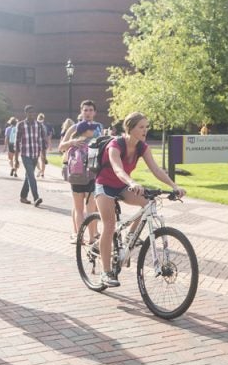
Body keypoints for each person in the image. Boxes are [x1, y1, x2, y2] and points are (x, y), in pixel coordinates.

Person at [94, 112, 185, 287]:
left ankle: (129, 238)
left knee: (148, 202)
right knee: (110, 225)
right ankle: (105, 273)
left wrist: (174, 186)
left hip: (123, 185)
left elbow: (157, 170)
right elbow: (118, 169)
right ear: (130, 128)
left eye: (146, 127)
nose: (145, 130)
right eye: (141, 127)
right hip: (105, 185)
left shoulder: (142, 147)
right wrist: (132, 182)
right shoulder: (115, 145)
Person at [59, 121, 99, 242]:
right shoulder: (92, 143)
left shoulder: (73, 143)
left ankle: (80, 238)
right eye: (91, 129)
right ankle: (92, 238)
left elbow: (62, 150)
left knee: (79, 210)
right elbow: (96, 164)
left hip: (75, 180)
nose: (93, 131)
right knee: (91, 211)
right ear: (86, 131)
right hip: (90, 180)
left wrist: (71, 142)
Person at [14, 105, 47, 207]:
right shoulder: (20, 125)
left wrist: (44, 157)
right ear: (26, 113)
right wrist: (16, 159)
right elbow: (17, 142)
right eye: (29, 112)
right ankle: (36, 197)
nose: (31, 114)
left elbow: (42, 142)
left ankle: (23, 196)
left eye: (33, 112)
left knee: (28, 176)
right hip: (25, 154)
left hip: (35, 155)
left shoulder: (39, 125)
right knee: (32, 176)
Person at [35, 113, 53, 178]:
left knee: (36, 158)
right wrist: (49, 145)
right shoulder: (45, 126)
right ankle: (42, 172)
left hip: (36, 144)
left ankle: (39, 170)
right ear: (43, 119)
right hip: (43, 144)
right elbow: (48, 137)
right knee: (43, 159)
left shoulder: (35, 125)